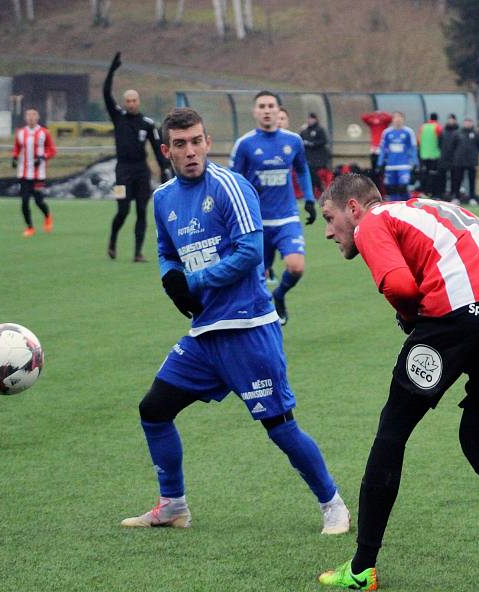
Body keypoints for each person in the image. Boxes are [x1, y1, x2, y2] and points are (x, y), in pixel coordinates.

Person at [317, 173, 479, 592]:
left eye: (329, 218)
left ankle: (362, 569)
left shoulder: (373, 221)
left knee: (392, 434)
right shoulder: (439, 211)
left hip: (457, 314)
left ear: (353, 208)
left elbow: (400, 284)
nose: (329, 231)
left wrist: (410, 316)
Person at [120, 107, 349, 536]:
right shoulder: (163, 198)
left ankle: (333, 504)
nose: (191, 151)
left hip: (248, 329)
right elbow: (168, 252)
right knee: (153, 410)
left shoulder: (230, 185)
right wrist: (171, 280)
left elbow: (249, 251)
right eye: (181, 144)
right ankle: (173, 506)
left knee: (279, 427)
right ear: (166, 150)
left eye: (197, 141)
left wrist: (195, 281)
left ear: (207, 142)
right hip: (204, 335)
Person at [229, 91, 317, 325]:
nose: (267, 110)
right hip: (256, 222)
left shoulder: (293, 141)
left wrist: (309, 199)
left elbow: (302, 169)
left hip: (287, 217)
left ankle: (279, 295)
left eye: (271, 106)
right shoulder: (245, 144)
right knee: (258, 279)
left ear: (279, 110)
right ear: (255, 111)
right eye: (262, 106)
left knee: (296, 267)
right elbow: (232, 182)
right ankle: (262, 321)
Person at [104, 52, 171, 262]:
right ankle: (113, 240)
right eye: (128, 101)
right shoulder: (118, 117)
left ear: (138, 102)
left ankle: (137, 253)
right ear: (124, 103)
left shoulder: (147, 124)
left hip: (141, 171)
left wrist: (164, 170)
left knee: (142, 211)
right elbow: (106, 93)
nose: (131, 103)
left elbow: (158, 147)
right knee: (123, 210)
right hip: (121, 172)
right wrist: (111, 71)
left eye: (134, 100)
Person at [12, 108, 56, 237]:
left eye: (33, 116)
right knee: (24, 201)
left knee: (38, 201)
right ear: (25, 118)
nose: (31, 118)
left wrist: (42, 157)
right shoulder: (20, 133)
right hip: (24, 173)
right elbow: (16, 148)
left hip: (38, 174)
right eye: (28, 116)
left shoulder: (44, 133)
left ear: (37, 118)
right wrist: (14, 158)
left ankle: (47, 216)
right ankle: (30, 228)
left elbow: (52, 150)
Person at [376, 111, 418, 201]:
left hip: (404, 165)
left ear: (403, 120)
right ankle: (395, 207)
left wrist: (415, 163)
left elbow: (413, 148)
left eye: (400, 118)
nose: (398, 120)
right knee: (391, 188)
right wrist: (380, 163)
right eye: (396, 118)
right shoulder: (387, 133)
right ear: (393, 120)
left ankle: (407, 204)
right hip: (390, 166)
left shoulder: (408, 132)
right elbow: (383, 149)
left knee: (402, 187)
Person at [451, 118, 479, 205]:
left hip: (471, 161)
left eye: (469, 122)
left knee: (472, 180)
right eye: (466, 122)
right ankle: (456, 197)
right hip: (459, 161)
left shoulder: (476, 133)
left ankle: (472, 198)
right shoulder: (457, 133)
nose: (467, 124)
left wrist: (474, 157)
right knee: (458, 180)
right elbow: (453, 146)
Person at [300, 112, 330, 197]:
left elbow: (323, 141)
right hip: (308, 157)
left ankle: (320, 188)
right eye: (308, 119)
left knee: (312, 172)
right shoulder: (305, 130)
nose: (309, 120)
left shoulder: (320, 129)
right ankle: (315, 191)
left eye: (311, 119)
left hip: (318, 158)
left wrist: (312, 143)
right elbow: (299, 140)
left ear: (315, 119)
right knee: (310, 173)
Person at [417, 112, 442, 197]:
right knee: (433, 174)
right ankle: (432, 192)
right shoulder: (437, 127)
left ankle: (424, 192)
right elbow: (440, 140)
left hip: (423, 155)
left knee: (425, 174)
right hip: (434, 155)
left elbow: (419, 140)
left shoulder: (423, 127)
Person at [438, 113, 459, 200]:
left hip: (455, 159)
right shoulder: (443, 132)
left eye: (452, 119)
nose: (450, 121)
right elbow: (439, 144)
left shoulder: (458, 132)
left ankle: (454, 195)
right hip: (444, 158)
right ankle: (442, 195)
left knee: (455, 178)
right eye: (449, 119)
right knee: (442, 178)